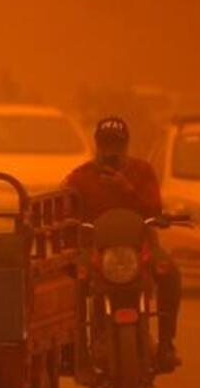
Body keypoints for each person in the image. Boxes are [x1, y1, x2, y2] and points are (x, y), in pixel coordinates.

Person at [63, 116, 182, 372]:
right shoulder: (80, 177)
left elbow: (154, 209)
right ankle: (79, 350)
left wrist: (127, 189)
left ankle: (166, 345)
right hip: (95, 251)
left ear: (126, 145)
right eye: (105, 143)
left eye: (116, 144)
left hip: (141, 248)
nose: (111, 151)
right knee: (75, 281)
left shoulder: (142, 172)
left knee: (170, 274)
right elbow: (66, 212)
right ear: (97, 144)